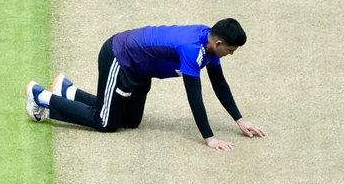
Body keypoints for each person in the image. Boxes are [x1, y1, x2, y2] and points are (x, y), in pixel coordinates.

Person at [25, 17, 266, 151]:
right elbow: (195, 97)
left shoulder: (210, 46)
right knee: (105, 122)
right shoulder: (192, 49)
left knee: (130, 121)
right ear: (220, 42)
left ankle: (68, 91)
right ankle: (42, 98)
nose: (231, 54)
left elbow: (219, 83)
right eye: (231, 50)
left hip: (141, 72)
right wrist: (209, 138)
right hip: (120, 58)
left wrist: (240, 119)